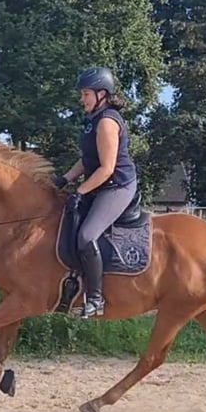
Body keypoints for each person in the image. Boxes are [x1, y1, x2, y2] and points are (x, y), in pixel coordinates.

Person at [52, 67, 138, 318]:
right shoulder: (93, 122)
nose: (82, 99)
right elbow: (88, 160)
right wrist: (64, 179)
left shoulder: (107, 122)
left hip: (117, 185)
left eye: (86, 94)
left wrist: (79, 191)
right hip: (100, 183)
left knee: (87, 235)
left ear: (102, 94)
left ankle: (96, 299)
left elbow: (107, 168)